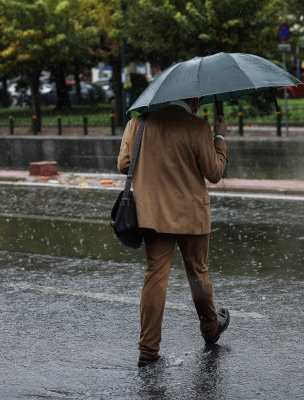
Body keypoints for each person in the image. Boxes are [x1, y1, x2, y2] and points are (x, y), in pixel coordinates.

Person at [117, 97, 230, 367]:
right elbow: (214, 173)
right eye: (199, 99)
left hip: (153, 213)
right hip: (191, 213)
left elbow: (123, 164)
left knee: (155, 275)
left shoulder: (137, 123)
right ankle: (210, 328)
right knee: (197, 271)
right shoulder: (198, 127)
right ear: (190, 98)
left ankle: (148, 348)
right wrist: (219, 137)